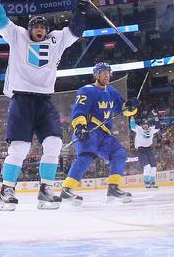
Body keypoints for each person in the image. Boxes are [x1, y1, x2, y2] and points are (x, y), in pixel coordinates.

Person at [0, 0, 91, 211]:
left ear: (47, 30)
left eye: (42, 27)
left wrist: (81, 6)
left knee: (54, 143)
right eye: (35, 27)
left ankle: (46, 190)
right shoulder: (18, 36)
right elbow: (0, 21)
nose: (39, 30)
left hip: (44, 101)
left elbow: (76, 30)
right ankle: (6, 190)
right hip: (22, 99)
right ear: (29, 29)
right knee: (19, 148)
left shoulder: (56, 39)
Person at [60, 62, 139, 204]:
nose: (107, 75)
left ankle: (113, 188)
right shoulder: (87, 90)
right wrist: (79, 127)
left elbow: (123, 110)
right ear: (96, 75)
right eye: (104, 72)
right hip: (89, 130)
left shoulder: (112, 91)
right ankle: (67, 189)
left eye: (109, 72)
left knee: (119, 153)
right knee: (86, 156)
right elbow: (79, 110)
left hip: (104, 134)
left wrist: (131, 107)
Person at [130, 117, 160, 188]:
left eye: (146, 124)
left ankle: (153, 183)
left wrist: (156, 117)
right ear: (141, 125)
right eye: (144, 124)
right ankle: (146, 182)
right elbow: (132, 126)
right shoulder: (139, 129)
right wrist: (132, 118)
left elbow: (158, 126)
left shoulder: (151, 130)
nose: (145, 125)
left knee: (153, 167)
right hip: (141, 151)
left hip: (149, 149)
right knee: (147, 167)